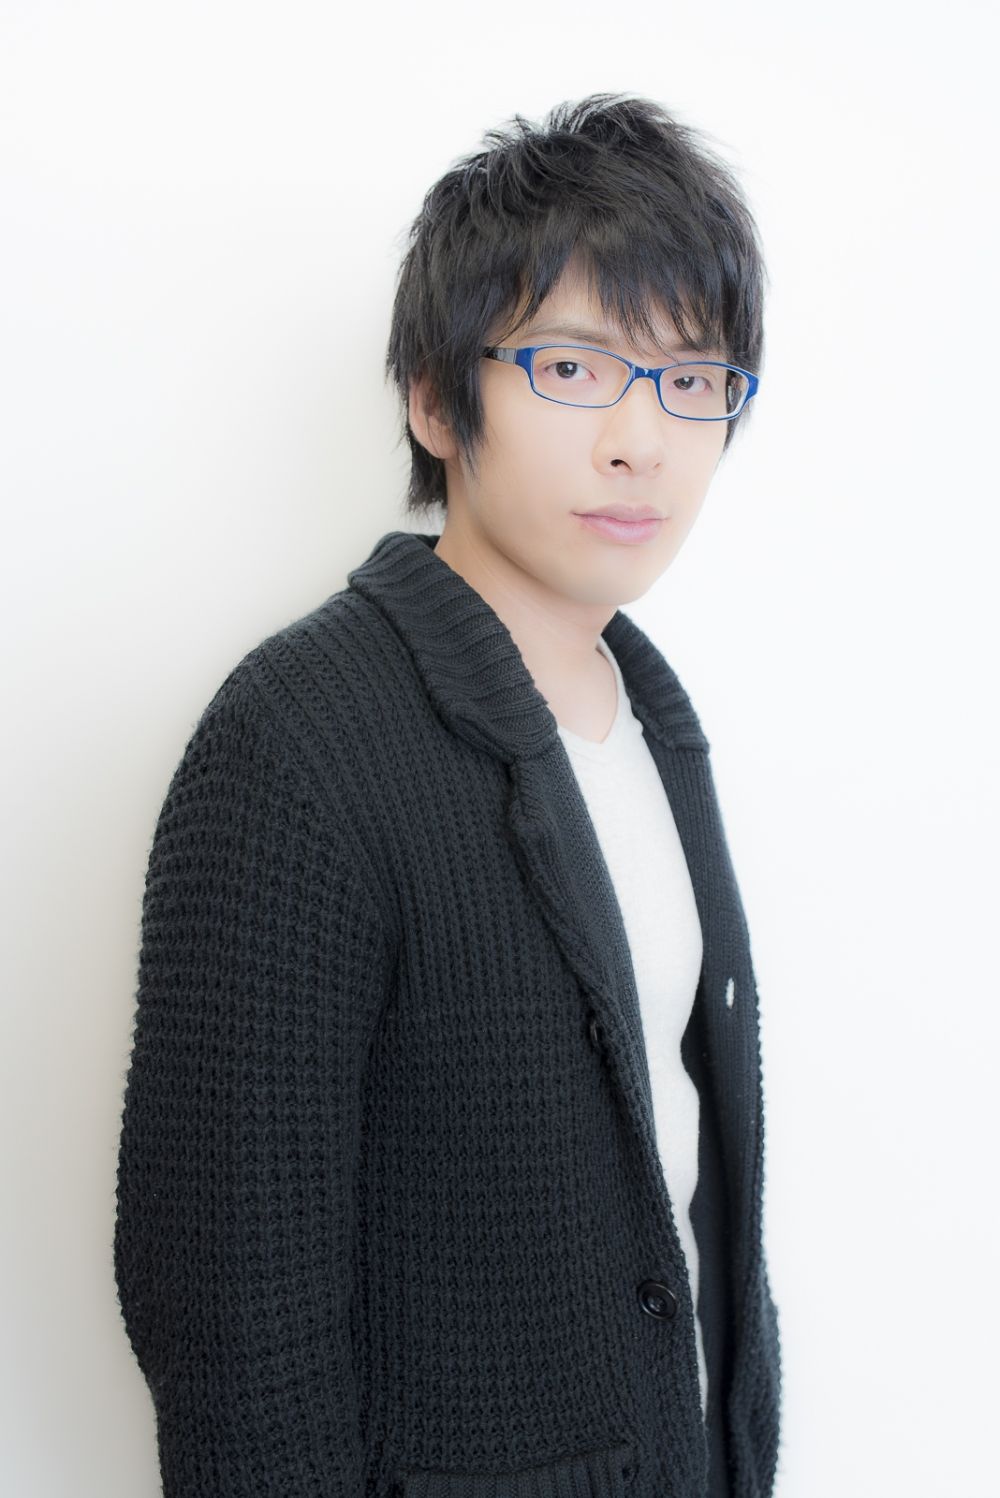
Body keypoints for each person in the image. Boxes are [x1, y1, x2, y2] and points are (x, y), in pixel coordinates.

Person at [113, 92, 782, 1498]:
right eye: (574, 366)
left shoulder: (656, 720)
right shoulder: (297, 740)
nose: (642, 440)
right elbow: (227, 1319)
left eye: (693, 378)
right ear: (434, 397)